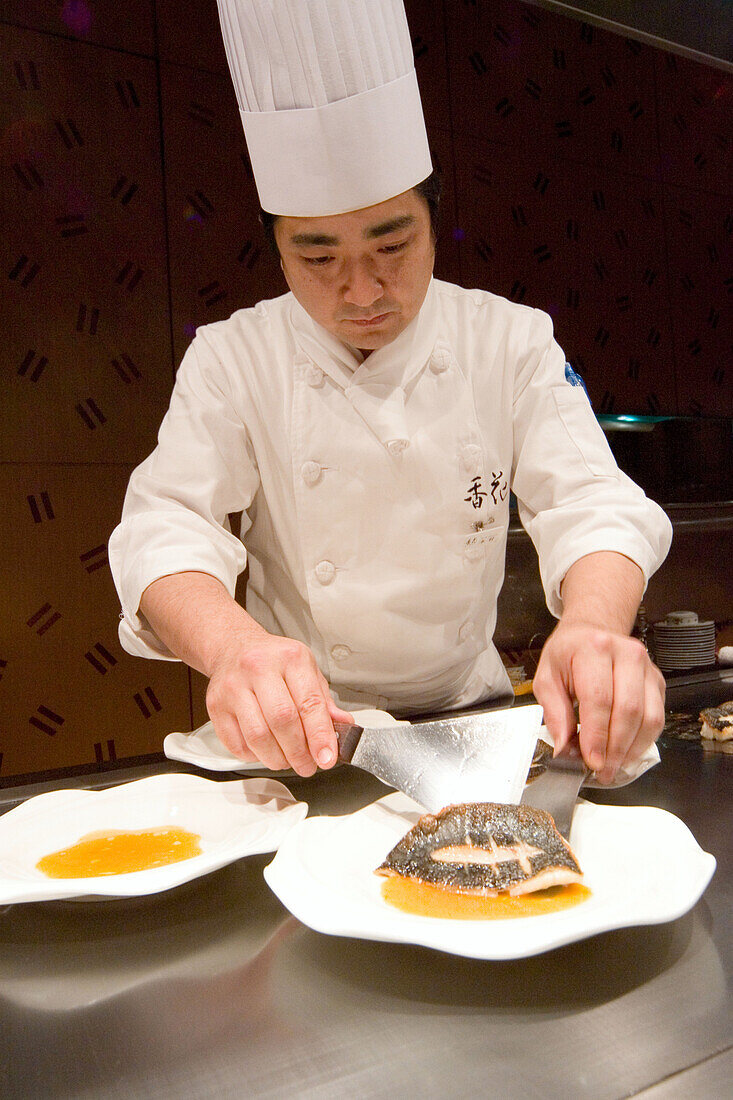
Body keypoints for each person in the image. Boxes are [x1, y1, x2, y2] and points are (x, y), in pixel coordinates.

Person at [109, 0, 672, 786]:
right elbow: (165, 528)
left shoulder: (507, 339)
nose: (361, 289)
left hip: (469, 726)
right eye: (317, 258)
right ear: (275, 251)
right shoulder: (234, 356)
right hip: (301, 737)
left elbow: (592, 502)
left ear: (434, 226)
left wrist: (592, 624)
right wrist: (235, 651)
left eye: (392, 244)